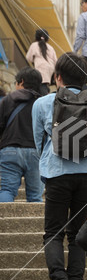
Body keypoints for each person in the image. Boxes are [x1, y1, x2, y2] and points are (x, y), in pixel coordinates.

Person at [32, 52, 87, 280]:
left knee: (54, 232)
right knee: (77, 233)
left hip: (56, 173)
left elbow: (38, 141)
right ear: (86, 78)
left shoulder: (42, 104)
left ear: (58, 77)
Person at [0, 67, 44, 202]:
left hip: (10, 149)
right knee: (35, 195)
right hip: (35, 151)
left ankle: (3, 221)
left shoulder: (7, 100)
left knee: (7, 189)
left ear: (22, 82)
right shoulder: (43, 102)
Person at [26, 29, 57, 95]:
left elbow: (28, 58)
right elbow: (56, 61)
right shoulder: (50, 47)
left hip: (40, 67)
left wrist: (34, 59)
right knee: (44, 84)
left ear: (36, 37)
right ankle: (46, 91)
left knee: (41, 86)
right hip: (50, 68)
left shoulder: (34, 45)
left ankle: (44, 95)